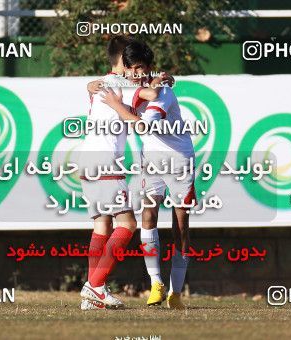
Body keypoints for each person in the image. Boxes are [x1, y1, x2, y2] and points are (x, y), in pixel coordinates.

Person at [100, 40, 195, 309]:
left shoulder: (163, 91)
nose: (135, 73)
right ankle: (156, 284)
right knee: (148, 215)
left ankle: (176, 291)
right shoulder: (134, 85)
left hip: (179, 159)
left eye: (140, 68)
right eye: (131, 69)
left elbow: (142, 126)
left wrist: (117, 105)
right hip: (151, 159)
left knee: (181, 224)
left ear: (150, 67)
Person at [79, 35, 170, 310]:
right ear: (124, 61)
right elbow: (152, 96)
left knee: (102, 225)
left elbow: (93, 89)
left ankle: (94, 296)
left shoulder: (100, 84)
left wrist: (150, 78)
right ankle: (94, 286)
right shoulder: (123, 85)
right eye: (133, 64)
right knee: (128, 225)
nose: (137, 71)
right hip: (107, 162)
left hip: (86, 161)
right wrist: (156, 81)